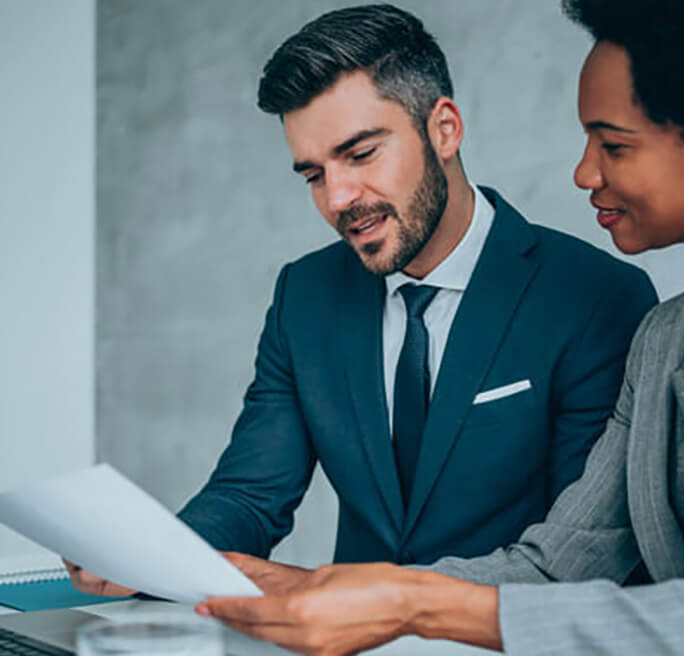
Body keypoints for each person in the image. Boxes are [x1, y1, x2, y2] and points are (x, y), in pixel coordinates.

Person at [193, 0, 684, 654]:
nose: (583, 173)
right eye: (314, 174)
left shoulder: (613, 299)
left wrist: (401, 601)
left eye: (614, 145)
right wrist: (338, 593)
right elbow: (557, 564)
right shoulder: (664, 336)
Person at [67, 3, 654, 597]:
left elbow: (580, 554)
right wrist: (153, 555)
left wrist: (376, 602)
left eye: (361, 153)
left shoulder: (594, 298)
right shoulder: (305, 297)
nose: (339, 197)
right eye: (313, 174)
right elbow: (249, 495)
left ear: (444, 129)